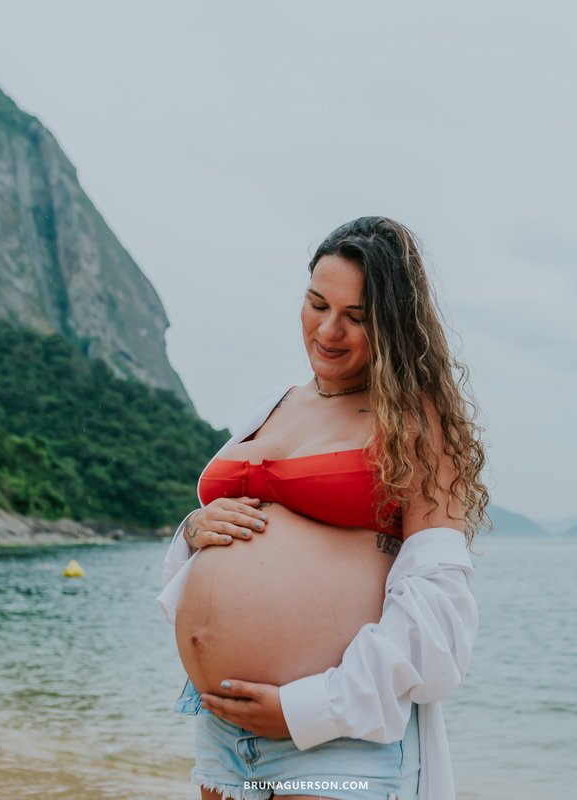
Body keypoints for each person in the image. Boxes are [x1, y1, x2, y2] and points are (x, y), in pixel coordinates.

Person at [157, 217, 489, 800]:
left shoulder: (414, 424)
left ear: (393, 326)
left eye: (357, 318)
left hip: (336, 736)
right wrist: (192, 529)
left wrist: (308, 709)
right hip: (220, 729)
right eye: (316, 304)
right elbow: (229, 543)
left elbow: (439, 613)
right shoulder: (274, 405)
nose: (329, 331)